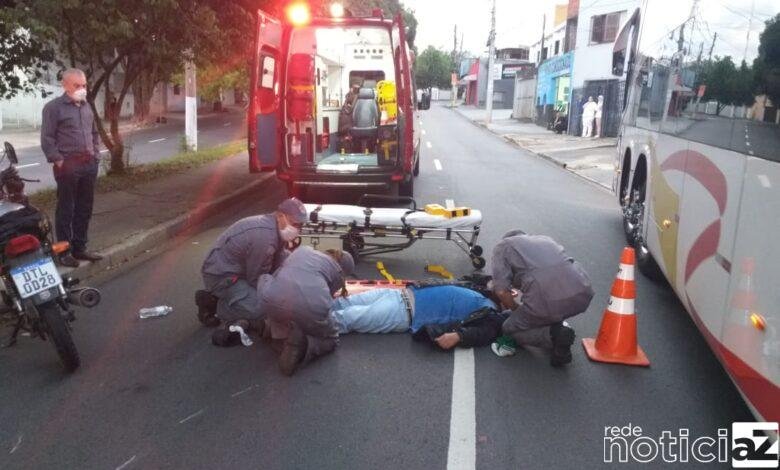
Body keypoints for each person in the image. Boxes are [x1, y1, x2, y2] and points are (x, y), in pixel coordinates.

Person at [196, 198, 307, 334]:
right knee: (265, 310)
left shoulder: (274, 228)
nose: (297, 229)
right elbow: (257, 281)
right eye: (294, 224)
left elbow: (280, 257)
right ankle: (214, 305)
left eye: (300, 225)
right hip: (223, 277)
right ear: (280, 216)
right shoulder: (264, 237)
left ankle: (234, 299)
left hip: (239, 269)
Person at [491, 230, 594, 366]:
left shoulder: (503, 246)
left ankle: (555, 335)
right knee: (545, 309)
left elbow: (501, 291)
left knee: (509, 327)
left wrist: (516, 308)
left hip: (545, 302)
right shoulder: (545, 239)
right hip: (582, 294)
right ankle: (557, 330)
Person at [257, 247, 355, 376]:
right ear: (343, 268)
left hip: (272, 301)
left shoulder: (303, 250)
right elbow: (326, 302)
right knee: (331, 339)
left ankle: (272, 330)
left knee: (268, 281)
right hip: (310, 307)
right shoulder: (337, 272)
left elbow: (277, 276)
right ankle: (303, 345)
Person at [40, 68, 103, 267]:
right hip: (67, 166)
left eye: (84, 85)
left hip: (88, 165)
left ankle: (80, 248)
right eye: (77, 86)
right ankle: (64, 252)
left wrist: (96, 154)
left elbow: (94, 133)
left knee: (85, 208)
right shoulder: (53, 108)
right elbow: (47, 139)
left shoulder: (86, 106)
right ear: (65, 85)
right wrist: (59, 161)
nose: (82, 89)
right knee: (66, 209)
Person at [331, 284, 508, 350]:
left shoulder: (491, 313)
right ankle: (304, 312)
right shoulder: (482, 292)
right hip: (398, 294)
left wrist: (458, 336)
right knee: (340, 303)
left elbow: (484, 332)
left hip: (402, 312)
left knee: (344, 319)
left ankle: (303, 330)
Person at [338, 82, 362, 152]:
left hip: (347, 126)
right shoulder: (355, 97)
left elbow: (350, 108)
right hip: (349, 125)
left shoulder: (353, 96)